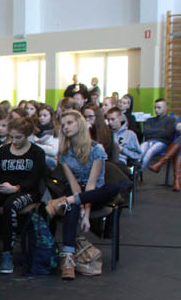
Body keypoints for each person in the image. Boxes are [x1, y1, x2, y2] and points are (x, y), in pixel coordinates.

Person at [45, 110, 124, 280]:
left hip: (95, 193)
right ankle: (68, 257)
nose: (66, 127)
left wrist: (86, 214)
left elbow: (91, 184)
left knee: (113, 187)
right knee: (72, 205)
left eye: (70, 123)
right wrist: (79, 206)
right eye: (63, 125)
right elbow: (74, 184)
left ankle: (65, 201)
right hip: (76, 192)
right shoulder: (64, 152)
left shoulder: (96, 149)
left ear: (79, 124)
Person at [0, 117, 46, 274]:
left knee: (10, 206)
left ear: (27, 135)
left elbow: (35, 179)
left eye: (18, 137)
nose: (14, 141)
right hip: (4, 188)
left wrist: (16, 188)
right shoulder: (3, 151)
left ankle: (7, 252)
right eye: (11, 137)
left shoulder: (37, 152)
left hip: (27, 191)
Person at [140, 98, 177, 168]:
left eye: (159, 107)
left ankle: (138, 171)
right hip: (148, 141)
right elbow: (145, 132)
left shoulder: (171, 120)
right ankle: (135, 171)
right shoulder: (150, 120)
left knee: (149, 152)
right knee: (139, 152)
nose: (156, 110)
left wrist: (152, 131)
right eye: (155, 107)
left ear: (165, 108)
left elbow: (167, 134)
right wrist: (161, 130)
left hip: (162, 143)